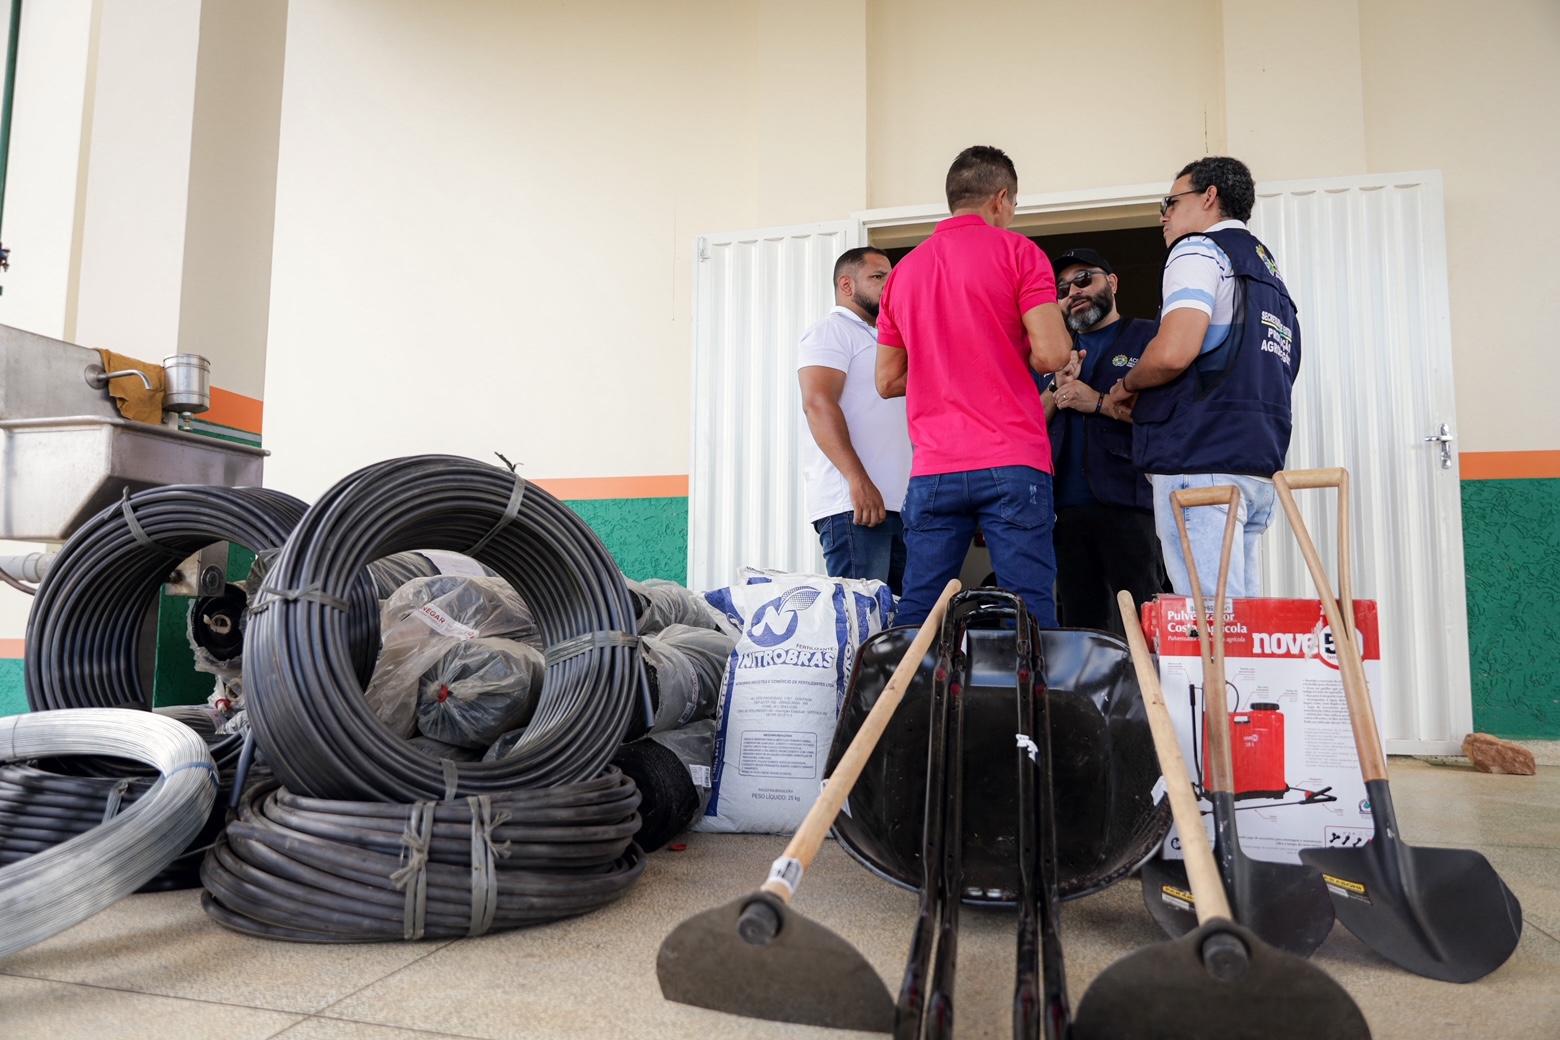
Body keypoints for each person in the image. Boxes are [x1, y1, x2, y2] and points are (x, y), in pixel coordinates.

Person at [875, 145, 1072, 626]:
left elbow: (887, 380)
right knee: (1026, 604)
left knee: (921, 605)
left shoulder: (901, 275)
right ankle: (1026, 702)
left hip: (934, 467)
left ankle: (907, 702)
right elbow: (1052, 354)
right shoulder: (1019, 252)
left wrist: (945, 362)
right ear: (1001, 198)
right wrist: (1005, 351)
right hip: (1012, 457)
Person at [1106, 156, 1301, 599]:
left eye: (1171, 202)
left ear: (1209, 196)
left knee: (1210, 621)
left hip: (1201, 461)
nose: (1164, 216)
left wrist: (1129, 384)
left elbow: (1174, 351)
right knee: (1243, 626)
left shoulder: (1197, 250)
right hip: (1256, 462)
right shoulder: (1268, 272)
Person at [1040, 247, 1165, 634]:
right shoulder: (1050, 354)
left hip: (1129, 502)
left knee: (1143, 617)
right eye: (1062, 289)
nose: (1073, 292)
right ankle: (1089, 697)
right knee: (1081, 625)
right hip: (1064, 509)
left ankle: (1152, 695)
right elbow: (1027, 425)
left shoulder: (1152, 337)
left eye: (1083, 279)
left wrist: (1094, 402)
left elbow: (1164, 415)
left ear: (1111, 283)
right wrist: (1056, 391)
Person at [798, 247, 911, 594]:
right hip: (856, 507)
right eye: (878, 277)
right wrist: (858, 481)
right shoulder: (831, 332)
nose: (888, 286)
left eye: (891, 278)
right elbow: (817, 403)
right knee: (864, 628)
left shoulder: (884, 338)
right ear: (846, 284)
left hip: (899, 507)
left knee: (900, 630)